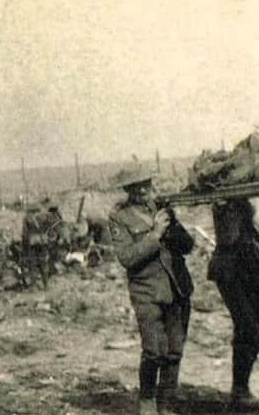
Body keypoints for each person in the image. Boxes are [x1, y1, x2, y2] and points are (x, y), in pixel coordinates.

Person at [109, 170, 194, 415]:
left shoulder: (162, 211)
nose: (144, 191)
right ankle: (147, 399)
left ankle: (166, 402)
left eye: (146, 185)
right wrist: (155, 234)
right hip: (146, 291)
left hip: (176, 288)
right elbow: (127, 257)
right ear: (129, 190)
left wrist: (173, 225)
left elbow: (187, 246)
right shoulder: (120, 218)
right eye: (138, 187)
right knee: (154, 350)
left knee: (175, 349)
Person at [208, 196, 259, 410]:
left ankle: (241, 388)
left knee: (256, 333)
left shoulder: (248, 200)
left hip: (252, 266)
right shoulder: (224, 203)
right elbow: (229, 236)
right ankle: (239, 390)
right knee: (248, 329)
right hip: (231, 270)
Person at [21, 203, 50, 290]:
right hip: (43, 243)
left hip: (32, 244)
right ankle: (46, 285)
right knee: (43, 264)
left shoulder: (27, 218)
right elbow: (49, 229)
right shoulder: (44, 217)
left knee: (32, 264)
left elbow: (25, 233)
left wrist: (24, 245)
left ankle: (34, 286)